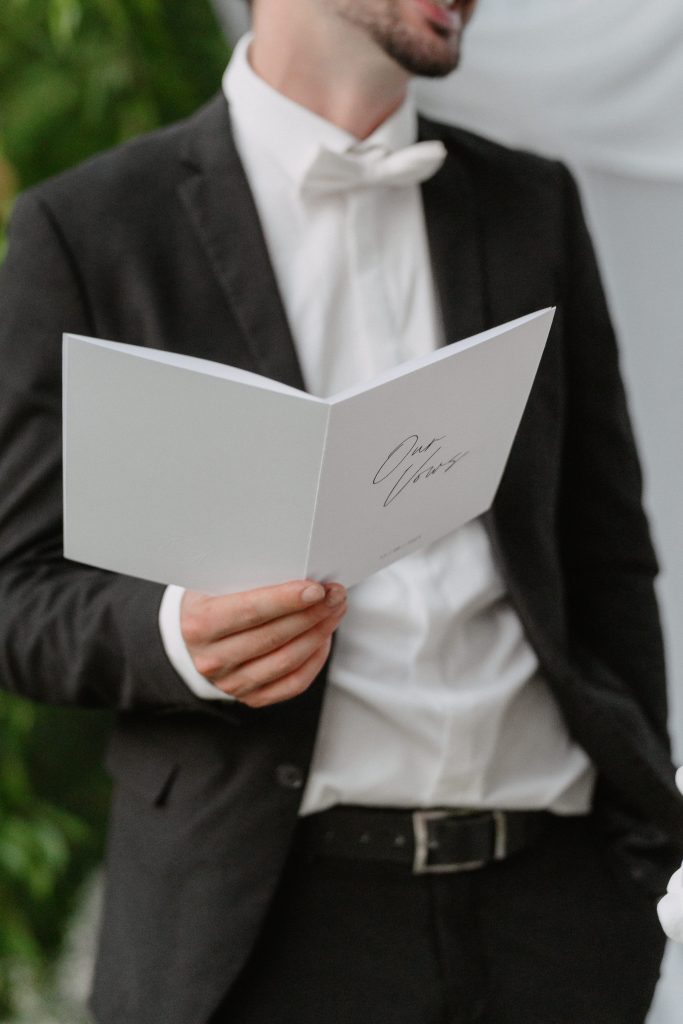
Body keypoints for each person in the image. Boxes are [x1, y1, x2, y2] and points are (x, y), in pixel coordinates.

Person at [1, 1, 682, 1022]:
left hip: (557, 914)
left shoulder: (529, 202)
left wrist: (639, 856)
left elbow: (607, 560)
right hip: (268, 927)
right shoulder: (91, 225)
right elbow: (16, 590)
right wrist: (178, 640)